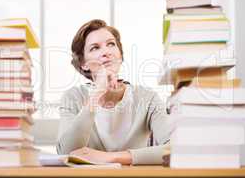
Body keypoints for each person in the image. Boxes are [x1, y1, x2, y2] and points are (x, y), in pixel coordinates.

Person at [56, 19, 172, 165]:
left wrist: (111, 157)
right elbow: (67, 152)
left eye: (111, 44)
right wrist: (97, 94)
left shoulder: (147, 98)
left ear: (120, 55)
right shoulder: (72, 98)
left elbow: (174, 149)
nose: (106, 52)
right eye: (95, 48)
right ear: (84, 64)